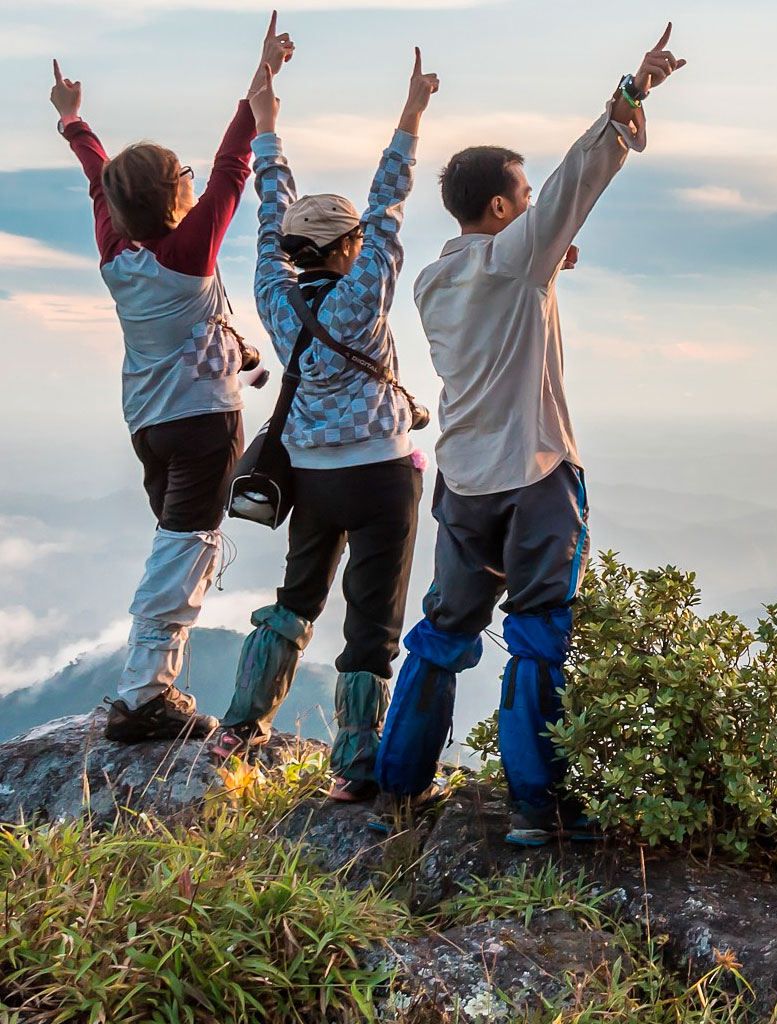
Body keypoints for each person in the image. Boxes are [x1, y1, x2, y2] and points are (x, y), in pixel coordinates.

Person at [373, 25, 685, 844]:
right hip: (537, 474)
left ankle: (398, 785)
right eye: (522, 196)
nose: (533, 202)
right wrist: (630, 98)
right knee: (540, 639)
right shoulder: (516, 261)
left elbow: (513, 268)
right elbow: (575, 182)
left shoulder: (437, 281)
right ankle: (535, 809)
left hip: (464, 484)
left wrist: (547, 263)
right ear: (505, 208)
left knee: (443, 631)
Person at [51, 15, 295, 743]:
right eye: (183, 176)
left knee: (180, 538)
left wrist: (73, 120)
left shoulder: (115, 253)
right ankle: (144, 695)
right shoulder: (185, 257)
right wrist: (262, 81)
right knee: (186, 547)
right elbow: (232, 166)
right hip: (200, 428)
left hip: (149, 427)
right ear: (175, 199)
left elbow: (101, 180)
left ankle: (151, 684)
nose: (197, 179)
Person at [207, 52, 440, 803]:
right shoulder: (364, 292)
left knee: (297, 594)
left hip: (309, 477)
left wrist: (267, 125)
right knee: (371, 620)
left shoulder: (273, 295)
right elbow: (390, 202)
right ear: (349, 248)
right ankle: (353, 764)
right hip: (379, 477)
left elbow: (273, 211)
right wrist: (411, 115)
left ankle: (242, 723)